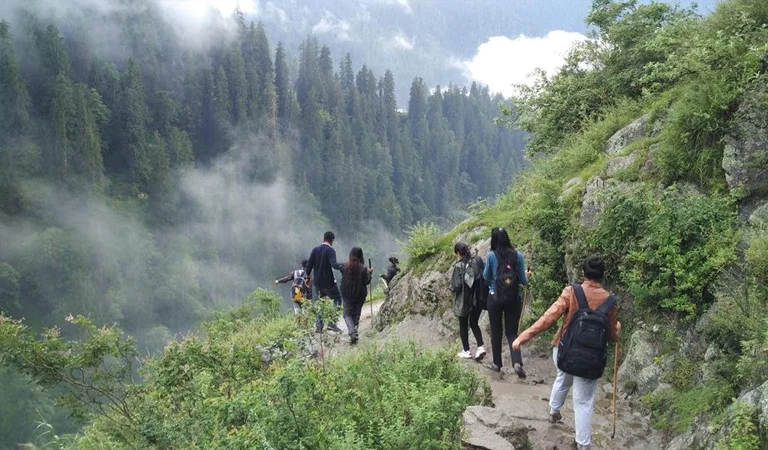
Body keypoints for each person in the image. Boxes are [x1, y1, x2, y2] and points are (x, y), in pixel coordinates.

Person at [512, 256, 620, 450]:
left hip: (565, 351)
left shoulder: (572, 292)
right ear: (602, 276)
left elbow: (548, 318)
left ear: (583, 273)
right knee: (584, 401)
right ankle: (583, 445)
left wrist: (523, 337)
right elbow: (612, 336)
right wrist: (617, 329)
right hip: (591, 360)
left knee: (563, 377)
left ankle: (554, 410)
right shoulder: (610, 300)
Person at [482, 227, 531, 377]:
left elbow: (486, 277)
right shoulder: (518, 255)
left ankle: (497, 364)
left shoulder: (491, 256)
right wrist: (527, 275)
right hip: (512, 298)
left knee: (496, 332)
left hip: (494, 297)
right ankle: (517, 362)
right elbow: (523, 281)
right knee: (511, 332)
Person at [451, 243, 486, 361]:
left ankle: (466, 350)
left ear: (458, 253)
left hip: (464, 300)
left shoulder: (458, 266)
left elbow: (456, 286)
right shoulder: (477, 261)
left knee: (463, 324)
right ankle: (480, 346)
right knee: (474, 322)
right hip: (478, 298)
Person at [306, 231, 343, 333]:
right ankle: (332, 322)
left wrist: (307, 277)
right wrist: (345, 266)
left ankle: (319, 326)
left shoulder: (315, 250)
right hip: (328, 282)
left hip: (317, 282)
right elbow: (334, 265)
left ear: (324, 239)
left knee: (319, 302)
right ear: (331, 240)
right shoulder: (330, 250)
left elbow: (309, 266)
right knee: (337, 299)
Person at [340, 247, 373, 344]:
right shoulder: (363, 269)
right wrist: (370, 273)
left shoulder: (345, 266)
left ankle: (352, 332)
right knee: (356, 314)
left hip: (347, 294)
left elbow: (340, 269)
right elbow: (366, 281)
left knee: (347, 314)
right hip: (360, 294)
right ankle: (354, 333)